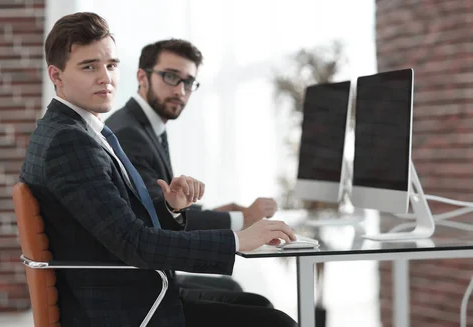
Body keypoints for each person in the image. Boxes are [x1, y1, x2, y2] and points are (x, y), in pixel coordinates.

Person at [20, 12, 297, 326]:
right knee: (277, 323)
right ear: (56, 76)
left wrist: (169, 208)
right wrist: (238, 241)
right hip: (123, 308)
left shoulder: (77, 130)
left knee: (258, 307)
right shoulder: (69, 141)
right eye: (89, 67)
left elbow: (118, 224)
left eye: (110, 65)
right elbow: (134, 242)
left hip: (131, 289)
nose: (105, 78)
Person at [105, 39, 278, 293]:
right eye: (171, 77)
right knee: (265, 311)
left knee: (234, 289)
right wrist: (245, 218)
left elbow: (166, 208)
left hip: (153, 274)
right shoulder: (130, 134)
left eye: (188, 82)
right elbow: (157, 218)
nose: (180, 91)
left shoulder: (145, 126)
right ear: (142, 77)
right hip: (144, 284)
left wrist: (220, 213)